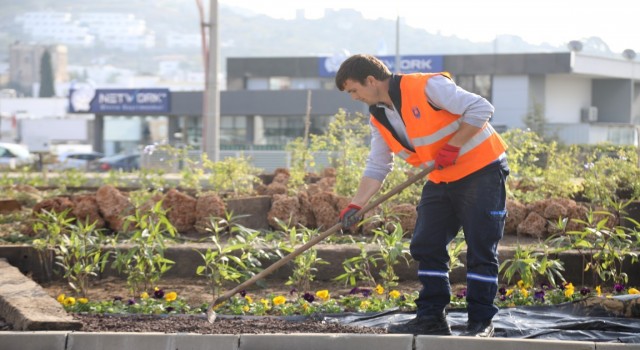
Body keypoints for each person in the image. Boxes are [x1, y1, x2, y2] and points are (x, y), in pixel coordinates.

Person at [335, 54, 509, 337]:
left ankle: (480, 322)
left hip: (481, 171)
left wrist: (454, 146)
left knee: (480, 248)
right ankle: (431, 317)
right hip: (441, 178)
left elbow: (481, 107)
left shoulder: (426, 87)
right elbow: (379, 165)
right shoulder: (379, 116)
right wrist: (357, 204)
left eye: (354, 90)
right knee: (426, 244)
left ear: (370, 80)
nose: (353, 97)